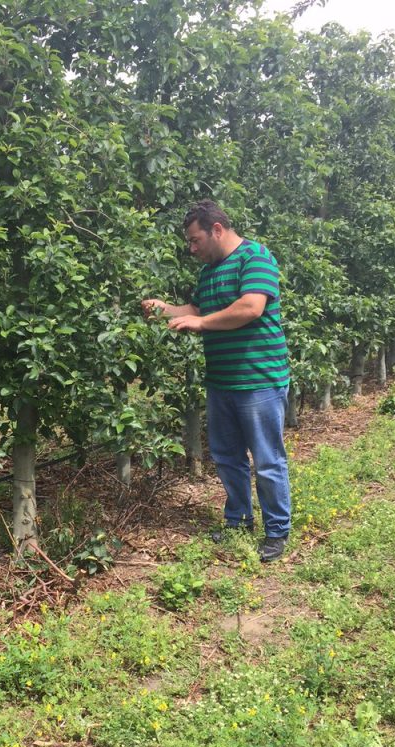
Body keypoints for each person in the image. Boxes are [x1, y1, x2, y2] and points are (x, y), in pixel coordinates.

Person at [142, 199, 291, 562]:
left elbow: (250, 307)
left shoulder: (255, 257)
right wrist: (165, 310)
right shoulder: (209, 272)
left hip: (259, 380)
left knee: (267, 460)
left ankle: (277, 531)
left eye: (195, 240)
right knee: (226, 457)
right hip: (221, 380)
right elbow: (197, 310)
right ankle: (238, 520)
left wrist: (202, 323)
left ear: (218, 230)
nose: (192, 249)